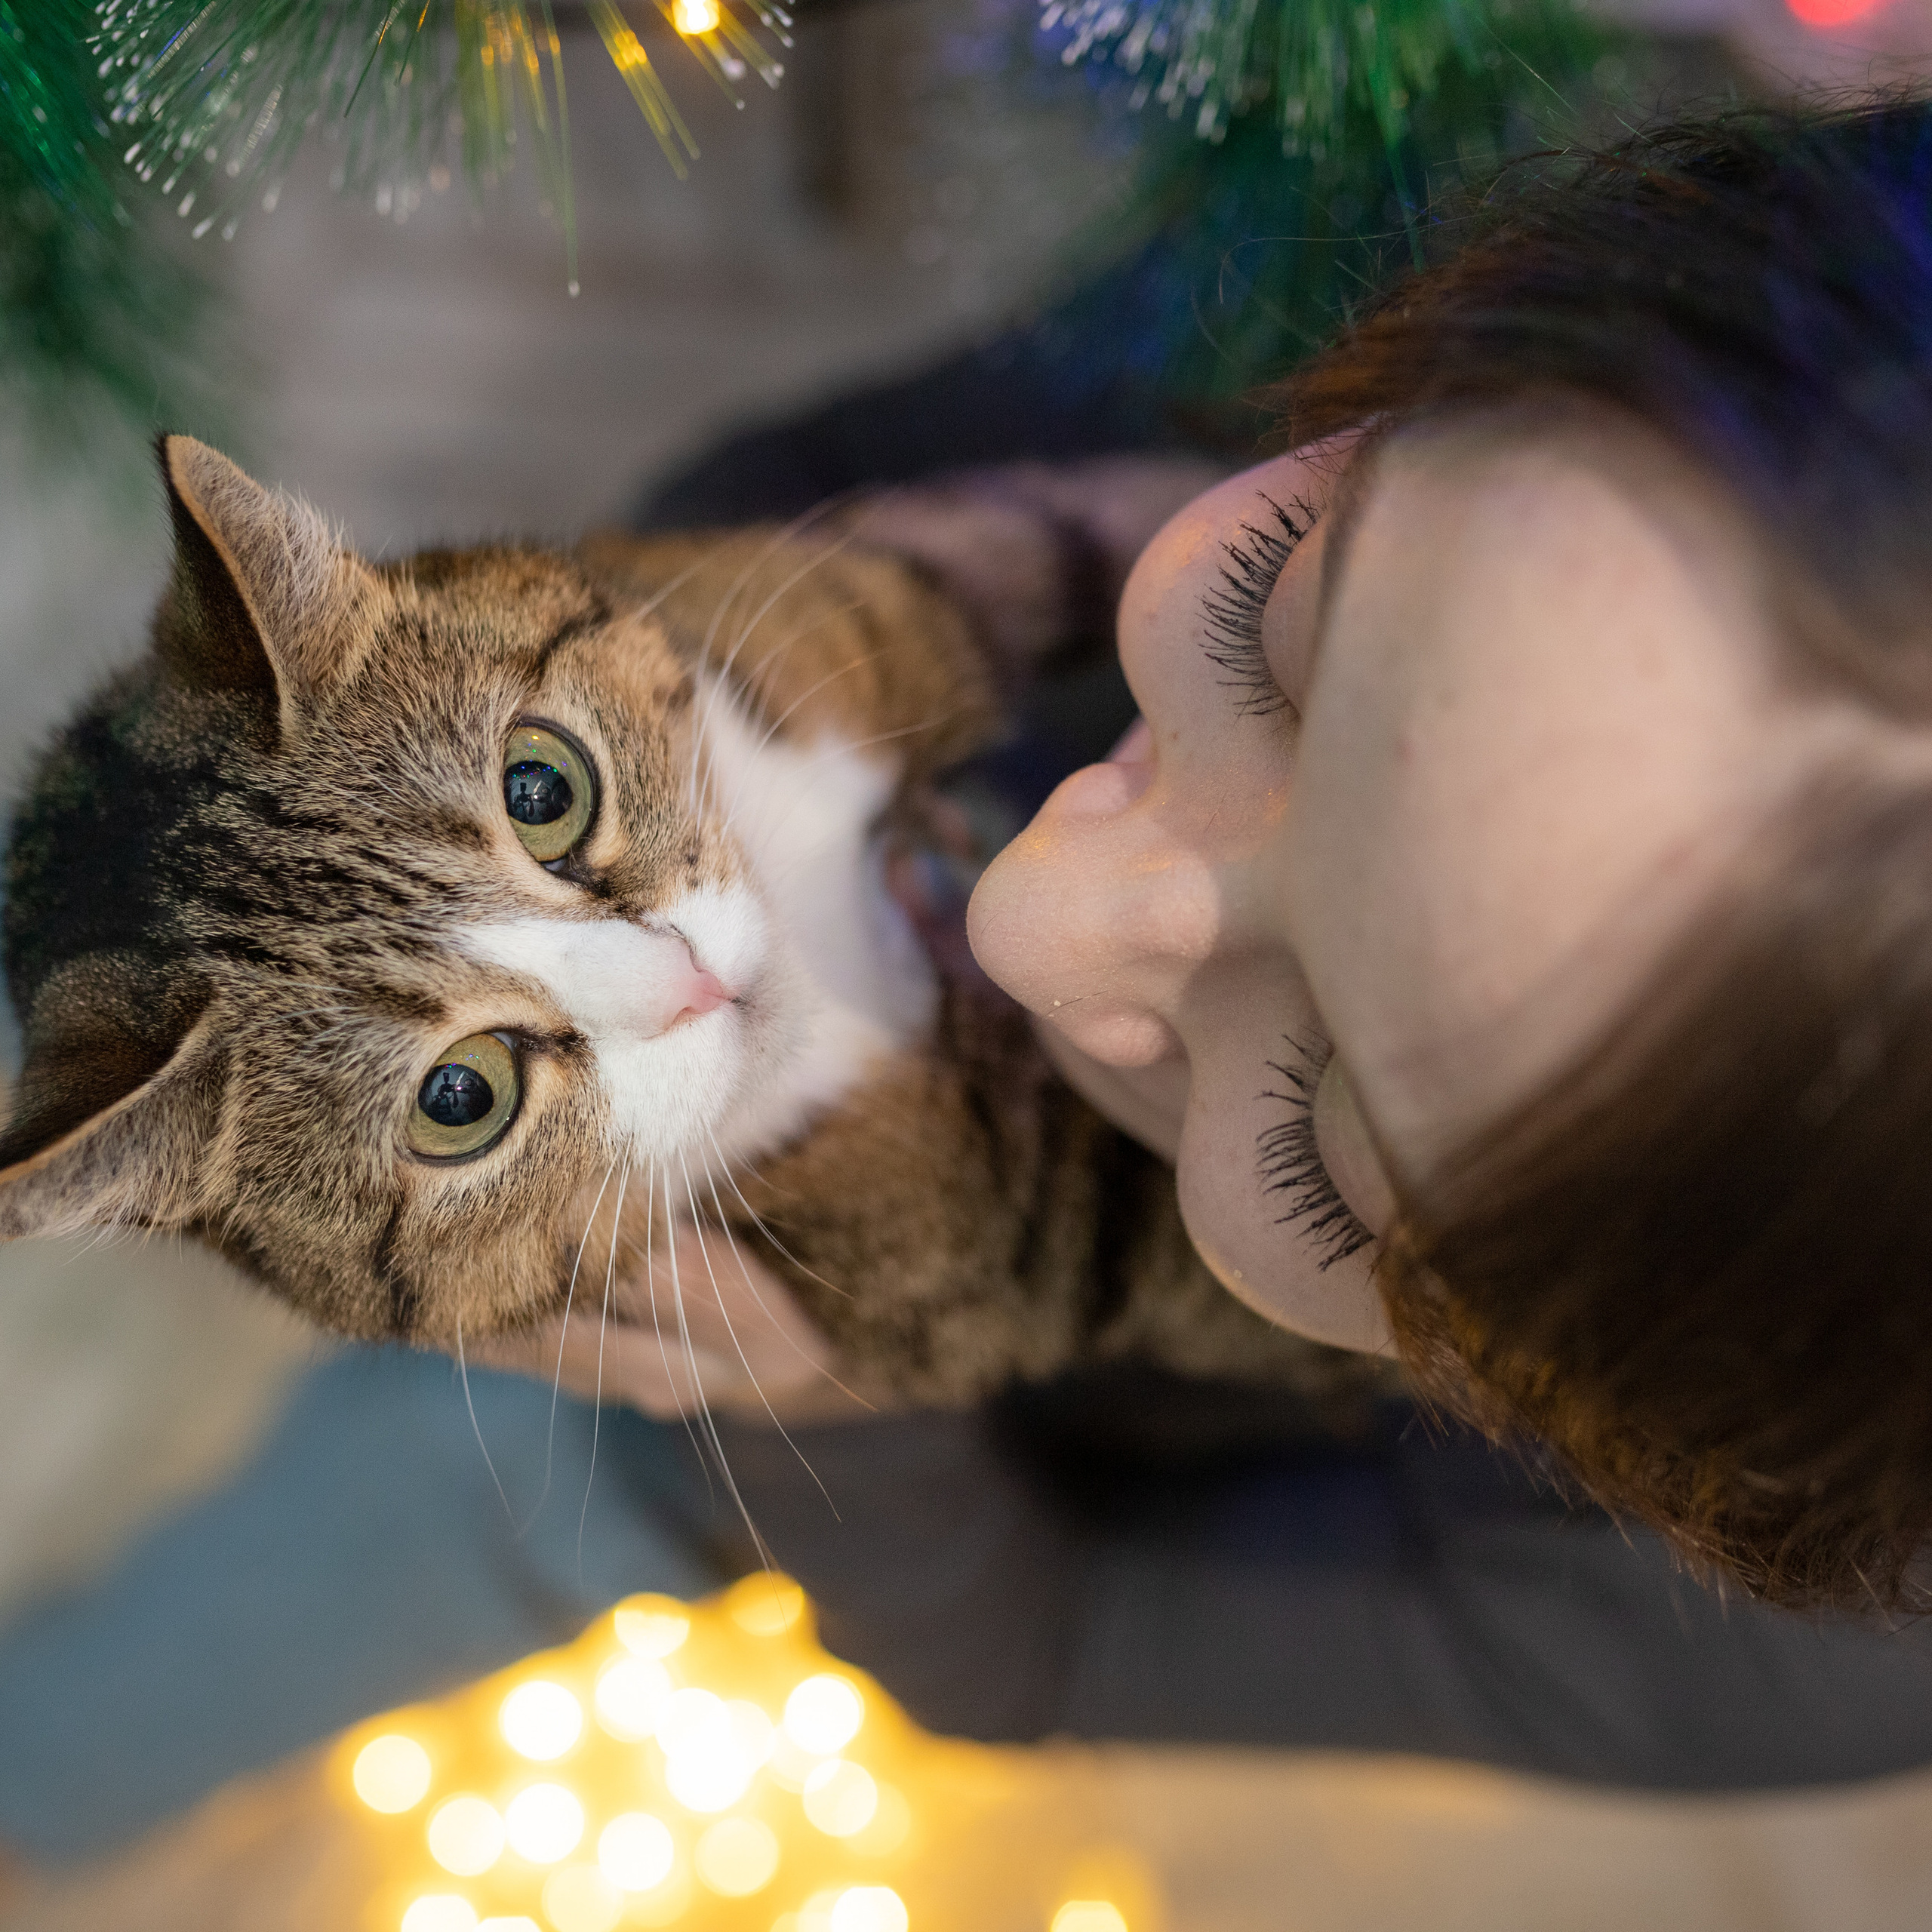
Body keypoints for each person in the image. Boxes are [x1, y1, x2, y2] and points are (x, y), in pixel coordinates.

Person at [14, 93, 1932, 1876]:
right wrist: (797, 628)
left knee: (102, 1724)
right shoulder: (1435, 214)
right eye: (1274, 607)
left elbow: (1036, 1646)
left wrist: (815, 1402)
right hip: (480, 1050)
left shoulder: (1787, 1658)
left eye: (1315, 1114)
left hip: (759, 1443)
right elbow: (816, 471)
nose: (1032, 915)